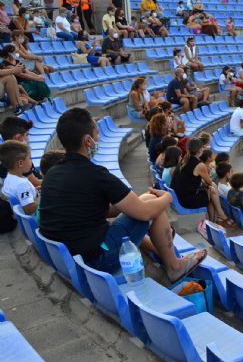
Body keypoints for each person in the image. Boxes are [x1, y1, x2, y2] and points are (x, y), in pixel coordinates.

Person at [39, 108, 206, 279]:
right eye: (97, 134)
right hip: (98, 259)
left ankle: (162, 250)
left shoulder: (52, 173)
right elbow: (145, 213)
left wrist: (134, 205)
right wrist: (168, 197)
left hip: (70, 257)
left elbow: (95, 209)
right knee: (151, 203)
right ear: (88, 141)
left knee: (141, 204)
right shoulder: (96, 174)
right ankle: (175, 266)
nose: (99, 138)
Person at [170, 138, 233, 226]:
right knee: (212, 189)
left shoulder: (184, 160)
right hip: (186, 200)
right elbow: (209, 181)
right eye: (203, 148)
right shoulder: (199, 165)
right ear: (200, 150)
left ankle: (215, 221)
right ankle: (220, 216)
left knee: (210, 190)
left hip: (179, 196)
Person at [0, 140, 38, 215]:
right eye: (30, 158)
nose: (31, 161)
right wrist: (41, 199)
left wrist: (35, 190)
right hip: (35, 219)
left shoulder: (9, 178)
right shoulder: (22, 184)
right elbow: (29, 209)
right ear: (20, 163)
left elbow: (21, 195)